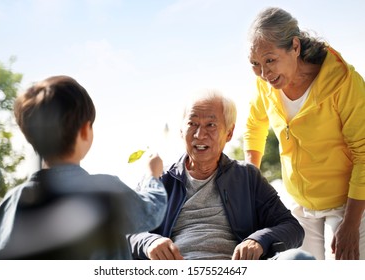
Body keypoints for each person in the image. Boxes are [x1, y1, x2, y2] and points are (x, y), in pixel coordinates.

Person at [0, 75, 167, 260]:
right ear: (85, 131)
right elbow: (151, 213)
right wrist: (153, 174)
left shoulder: (5, 208)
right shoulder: (104, 191)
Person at [129, 89, 314, 260]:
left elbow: (292, 228)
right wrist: (148, 242)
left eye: (210, 125)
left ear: (229, 133)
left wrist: (259, 240)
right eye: (192, 124)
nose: (200, 135)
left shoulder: (247, 177)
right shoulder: (162, 179)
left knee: (299, 259)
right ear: (181, 130)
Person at [244, 7, 365, 260]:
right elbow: (255, 126)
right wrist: (250, 181)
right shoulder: (266, 85)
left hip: (349, 204)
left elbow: (364, 153)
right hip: (300, 204)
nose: (264, 74)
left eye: (270, 60)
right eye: (255, 64)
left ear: (295, 47)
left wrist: (352, 225)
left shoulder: (343, 82)